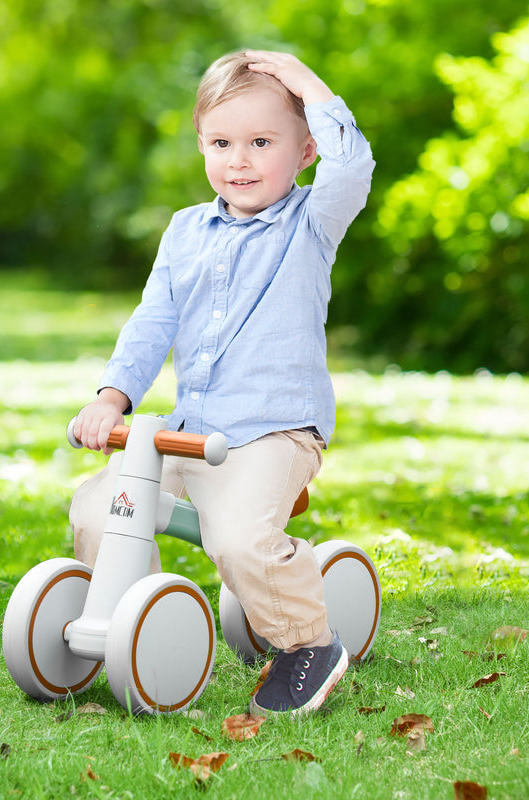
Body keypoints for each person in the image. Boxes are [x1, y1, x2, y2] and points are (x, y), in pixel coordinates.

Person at [70, 49, 374, 715]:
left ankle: (308, 644)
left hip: (274, 431)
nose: (238, 160)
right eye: (221, 142)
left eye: (261, 142)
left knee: (236, 538)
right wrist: (112, 396)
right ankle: (141, 633)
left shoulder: (311, 225)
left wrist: (298, 77)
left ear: (305, 152)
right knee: (98, 510)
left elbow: (353, 164)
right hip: (191, 435)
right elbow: (153, 321)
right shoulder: (185, 232)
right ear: (202, 143)